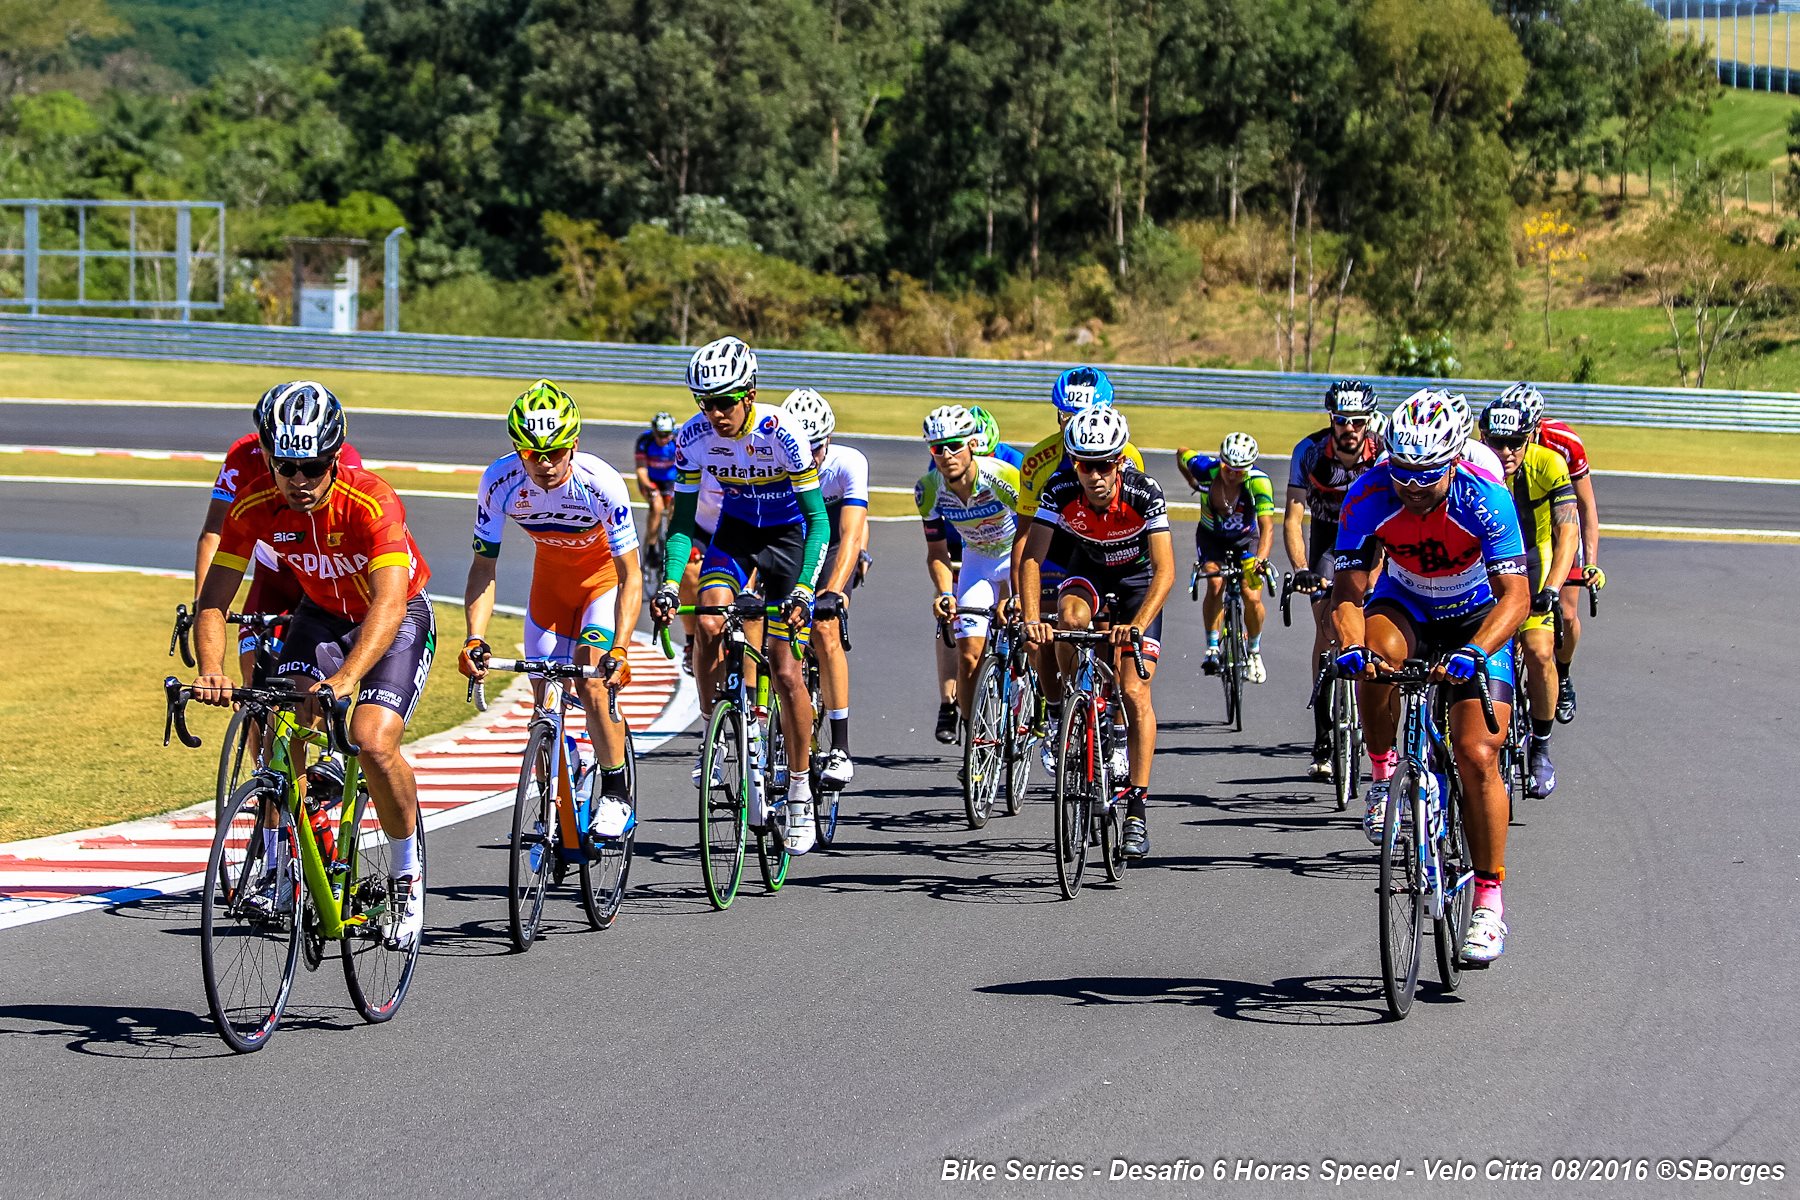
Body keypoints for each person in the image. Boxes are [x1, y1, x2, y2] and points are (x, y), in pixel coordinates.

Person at [190, 381, 434, 951]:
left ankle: (405, 875)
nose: (299, 480)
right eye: (285, 466)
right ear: (268, 458)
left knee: (372, 739)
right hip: (320, 614)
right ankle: (299, 857)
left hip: (392, 619)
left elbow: (391, 602)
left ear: (335, 456)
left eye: (313, 466)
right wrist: (211, 667)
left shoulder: (373, 501)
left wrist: (347, 679)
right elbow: (214, 600)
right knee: (285, 717)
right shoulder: (253, 504)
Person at [1330, 390, 1530, 966]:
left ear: (1452, 462)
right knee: (1372, 657)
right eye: (1404, 472)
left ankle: (1490, 900)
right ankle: (1384, 773)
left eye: (1427, 475)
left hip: (1476, 614)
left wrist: (1475, 650)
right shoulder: (1368, 493)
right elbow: (1349, 590)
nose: (1413, 487)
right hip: (1407, 602)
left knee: (1477, 753)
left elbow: (1515, 597)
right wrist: (1348, 644)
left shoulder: (1484, 495)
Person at [649, 336, 829, 854]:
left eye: (725, 401)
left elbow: (818, 521)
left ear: (749, 394)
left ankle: (798, 789)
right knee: (707, 622)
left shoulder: (783, 432)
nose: (715, 413)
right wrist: (667, 581)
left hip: (788, 538)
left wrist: (801, 590)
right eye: (704, 402)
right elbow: (683, 525)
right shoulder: (692, 438)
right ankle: (716, 735)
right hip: (734, 535)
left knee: (785, 665)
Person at [458, 380, 642, 839]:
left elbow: (632, 576)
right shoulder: (498, 482)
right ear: (517, 449)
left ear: (573, 444)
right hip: (550, 593)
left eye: (556, 451)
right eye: (532, 452)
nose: (544, 463)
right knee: (544, 706)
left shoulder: (601, 484)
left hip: (600, 585)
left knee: (590, 681)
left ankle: (617, 792)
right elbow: (483, 566)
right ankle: (557, 789)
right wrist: (474, 637)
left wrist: (620, 648)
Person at [1017, 406, 1174, 860]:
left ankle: (1138, 809)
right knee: (1067, 621)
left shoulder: (1146, 493)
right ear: (1074, 462)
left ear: (1120, 462)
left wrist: (1138, 625)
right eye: (1086, 464)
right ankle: (1071, 704)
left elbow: (1165, 570)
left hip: (1136, 581)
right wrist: (1031, 618)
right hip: (1087, 569)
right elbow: (1032, 557)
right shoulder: (1061, 488)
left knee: (1133, 689)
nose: (1096, 475)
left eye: (1106, 463)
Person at [1013, 366, 1146, 771]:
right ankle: (1059, 713)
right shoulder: (1038, 461)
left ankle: (1114, 725)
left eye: (1082, 413)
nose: (1074, 424)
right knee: (1045, 635)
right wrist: (1022, 599)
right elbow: (1025, 534)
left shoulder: (1127, 457)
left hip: (1111, 547)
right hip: (1058, 546)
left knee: (1109, 641)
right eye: (1065, 415)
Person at [195, 391, 364, 686]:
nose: (293, 466)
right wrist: (200, 601)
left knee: (311, 694)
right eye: (274, 450)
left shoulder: (339, 458)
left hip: (320, 579)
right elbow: (215, 530)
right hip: (272, 576)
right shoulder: (243, 457)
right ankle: (254, 729)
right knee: (254, 683)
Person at [1479, 392, 1579, 798]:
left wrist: (1553, 588)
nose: (1505, 452)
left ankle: (1540, 746)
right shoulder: (1468, 465)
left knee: (1539, 652)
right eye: (1496, 442)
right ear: (1480, 437)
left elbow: (1566, 532)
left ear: (1531, 436)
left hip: (1535, 571)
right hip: (1485, 575)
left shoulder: (1550, 465)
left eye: (1515, 442)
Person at [1284, 380, 1384, 777]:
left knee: (1373, 625)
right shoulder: (1308, 453)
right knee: (1327, 631)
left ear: (1368, 422)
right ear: (1331, 420)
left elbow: (1395, 519)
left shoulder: (1384, 452)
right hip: (1327, 541)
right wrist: (1301, 570)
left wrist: (1377, 572)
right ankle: (1323, 735)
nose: (1350, 429)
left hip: (1374, 539)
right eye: (1342, 421)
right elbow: (1293, 517)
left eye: (1358, 421)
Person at [916, 405, 1024, 742]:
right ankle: (976, 740)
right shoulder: (928, 490)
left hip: (1016, 554)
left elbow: (1029, 535)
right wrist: (945, 593)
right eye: (937, 448)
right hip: (977, 559)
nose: (946, 455)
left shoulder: (1002, 476)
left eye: (954, 446)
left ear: (971, 445)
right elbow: (937, 552)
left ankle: (1042, 711)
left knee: (1030, 632)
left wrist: (1018, 593)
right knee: (968, 655)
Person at [784, 387, 869, 789]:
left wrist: (833, 592)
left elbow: (851, 535)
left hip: (836, 542)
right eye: (801, 448)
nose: (809, 457)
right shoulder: (774, 462)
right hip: (792, 542)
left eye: (816, 447)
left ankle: (841, 746)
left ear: (828, 441)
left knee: (823, 626)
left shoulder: (848, 463)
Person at [1505, 382, 1605, 722]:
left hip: (1555, 530)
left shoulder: (1563, 444)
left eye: (1524, 434)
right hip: (1515, 530)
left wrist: (1590, 564)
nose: (1511, 446)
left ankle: (1562, 674)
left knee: (1565, 612)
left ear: (1537, 425)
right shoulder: (1497, 447)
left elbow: (1586, 508)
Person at [1175, 432, 1276, 683]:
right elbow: (1181, 452)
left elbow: (1267, 527)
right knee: (1214, 582)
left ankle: (1253, 650)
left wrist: (1260, 560)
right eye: (1227, 468)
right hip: (1211, 537)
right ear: (1220, 461)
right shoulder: (1204, 469)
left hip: (1246, 540)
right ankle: (1211, 646)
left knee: (1251, 595)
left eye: (1239, 471)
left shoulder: (1259, 483)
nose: (1232, 475)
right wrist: (1192, 482)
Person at [634, 411, 679, 563]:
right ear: (654, 431)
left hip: (671, 481)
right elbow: (641, 470)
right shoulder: (645, 441)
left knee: (675, 509)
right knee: (657, 506)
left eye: (666, 435)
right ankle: (652, 546)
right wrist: (649, 487)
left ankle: (670, 541)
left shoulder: (678, 441)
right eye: (659, 435)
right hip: (650, 480)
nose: (663, 439)